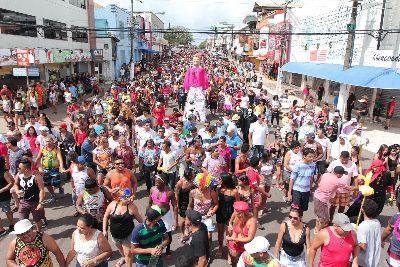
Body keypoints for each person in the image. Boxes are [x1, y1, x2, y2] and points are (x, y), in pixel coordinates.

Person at [103, 188, 143, 267]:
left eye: (129, 197)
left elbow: (141, 221)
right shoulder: (112, 205)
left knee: (128, 254)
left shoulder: (132, 206)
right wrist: (104, 230)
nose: (128, 199)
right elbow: (105, 217)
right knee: (121, 250)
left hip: (128, 235)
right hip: (115, 235)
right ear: (119, 198)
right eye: (126, 198)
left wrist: (144, 230)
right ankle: (123, 258)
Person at [313, 166, 355, 233]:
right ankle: (317, 231)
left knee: (319, 215)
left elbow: (319, 181)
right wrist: (359, 188)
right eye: (342, 174)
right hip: (321, 200)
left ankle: (316, 228)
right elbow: (349, 188)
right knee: (324, 219)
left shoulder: (326, 174)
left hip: (316, 196)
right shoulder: (338, 181)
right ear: (338, 174)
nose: (342, 175)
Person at [148, 173, 178, 259]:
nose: (156, 184)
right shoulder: (152, 189)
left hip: (165, 215)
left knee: (167, 233)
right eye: (155, 182)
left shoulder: (169, 192)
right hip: (154, 215)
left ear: (164, 182)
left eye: (158, 183)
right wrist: (148, 213)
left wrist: (175, 222)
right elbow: (149, 202)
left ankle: (168, 250)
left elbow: (175, 206)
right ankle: (156, 249)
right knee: (154, 232)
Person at [188, 172, 219, 248]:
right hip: (195, 217)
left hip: (207, 217)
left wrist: (212, 211)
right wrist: (187, 218)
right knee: (195, 237)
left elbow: (217, 204)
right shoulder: (193, 192)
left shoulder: (212, 193)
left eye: (204, 186)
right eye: (199, 185)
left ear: (207, 184)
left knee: (209, 237)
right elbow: (190, 206)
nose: (201, 188)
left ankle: (208, 252)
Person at [14, 159, 46, 231]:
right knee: (22, 221)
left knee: (37, 220)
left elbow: (41, 190)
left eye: (19, 168)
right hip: (23, 201)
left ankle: (39, 233)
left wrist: (40, 203)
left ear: (25, 169)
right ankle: (27, 235)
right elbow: (15, 184)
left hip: (35, 202)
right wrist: (17, 191)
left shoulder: (36, 177)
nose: (17, 169)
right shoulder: (19, 175)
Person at [327, 151, 359, 221]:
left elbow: (355, 177)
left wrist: (356, 189)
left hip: (346, 190)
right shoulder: (334, 163)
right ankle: (331, 219)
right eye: (342, 159)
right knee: (333, 206)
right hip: (335, 190)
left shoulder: (353, 164)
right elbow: (328, 173)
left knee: (342, 206)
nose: (344, 161)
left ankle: (338, 220)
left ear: (349, 158)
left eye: (346, 160)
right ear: (340, 157)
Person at [36, 136, 65, 203]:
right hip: (45, 170)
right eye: (46, 141)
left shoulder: (56, 149)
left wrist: (61, 167)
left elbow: (60, 159)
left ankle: (60, 187)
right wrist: (34, 165)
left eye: (49, 141)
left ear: (52, 141)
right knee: (47, 183)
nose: (48, 143)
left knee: (56, 182)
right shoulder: (42, 149)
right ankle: (53, 195)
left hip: (54, 169)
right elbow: (38, 158)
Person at [227, 201, 257, 265]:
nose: (234, 212)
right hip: (235, 244)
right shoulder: (236, 216)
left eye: (235, 210)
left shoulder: (252, 221)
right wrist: (230, 225)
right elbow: (235, 231)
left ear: (240, 213)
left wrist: (235, 239)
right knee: (234, 262)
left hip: (245, 247)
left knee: (244, 263)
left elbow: (250, 238)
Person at [216, 173, 239, 257]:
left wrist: (235, 218)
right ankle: (220, 247)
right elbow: (215, 201)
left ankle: (230, 252)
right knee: (220, 233)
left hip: (230, 215)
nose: (219, 180)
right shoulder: (219, 189)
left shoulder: (234, 191)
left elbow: (237, 205)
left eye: (220, 179)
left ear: (225, 181)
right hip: (220, 213)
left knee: (229, 234)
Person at [287, 148, 316, 212]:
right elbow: (292, 179)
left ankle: (299, 220)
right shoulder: (298, 165)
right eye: (310, 156)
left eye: (313, 156)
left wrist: (310, 188)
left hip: (306, 190)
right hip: (297, 190)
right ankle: (293, 220)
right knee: (295, 208)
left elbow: (311, 178)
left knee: (303, 208)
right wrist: (289, 193)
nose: (312, 158)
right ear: (304, 156)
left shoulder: (313, 165)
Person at [183, 54, 209, 122]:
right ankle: (189, 116)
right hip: (192, 88)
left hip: (199, 88)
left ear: (200, 61)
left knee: (200, 102)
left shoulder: (202, 70)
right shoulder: (189, 69)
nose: (196, 61)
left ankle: (200, 117)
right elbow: (186, 78)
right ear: (192, 61)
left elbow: (204, 79)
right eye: (194, 60)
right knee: (190, 102)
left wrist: (205, 88)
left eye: (197, 60)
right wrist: (186, 87)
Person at [357, 199, 381, 267]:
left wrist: (352, 243)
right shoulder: (377, 222)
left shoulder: (363, 226)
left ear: (362, 210)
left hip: (363, 262)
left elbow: (363, 246)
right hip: (373, 261)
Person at [0, 156, 14, 235]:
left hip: (4, 196)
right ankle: (1, 229)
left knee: (7, 210)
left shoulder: (4, 172)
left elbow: (11, 183)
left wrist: (2, 190)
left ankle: (12, 224)